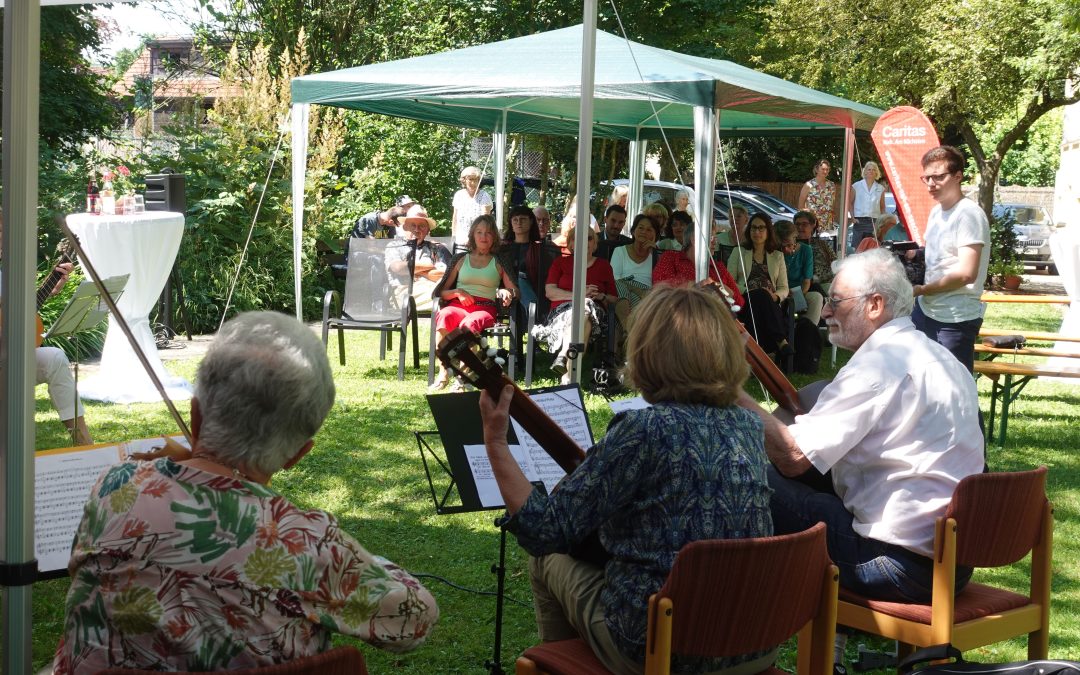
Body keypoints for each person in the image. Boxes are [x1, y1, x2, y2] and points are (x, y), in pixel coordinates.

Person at [53, 311, 439, 673]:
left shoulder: (114, 487)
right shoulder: (308, 544)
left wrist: (198, 455)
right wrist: (362, 559)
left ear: (196, 415)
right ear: (297, 455)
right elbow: (416, 618)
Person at [479, 284, 776, 675]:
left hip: (664, 648)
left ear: (647, 353)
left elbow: (544, 530)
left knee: (545, 560)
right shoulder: (748, 425)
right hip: (753, 642)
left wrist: (496, 442)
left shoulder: (643, 429)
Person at [736, 249, 983, 610]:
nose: (827, 312)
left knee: (746, 474)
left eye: (836, 301)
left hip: (897, 565)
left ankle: (730, 609)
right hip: (954, 563)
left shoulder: (879, 365)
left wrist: (727, 390)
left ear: (875, 305)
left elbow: (792, 458)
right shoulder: (942, 357)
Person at [0, 215, 92, 445]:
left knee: (54, 357)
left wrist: (51, 287)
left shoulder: (5, 276)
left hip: (8, 359)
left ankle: (82, 441)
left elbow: (17, 311)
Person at [911, 145, 990, 373]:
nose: (931, 184)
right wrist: (914, 254)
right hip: (926, 311)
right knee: (924, 382)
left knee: (955, 392)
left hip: (955, 318)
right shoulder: (937, 211)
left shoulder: (968, 214)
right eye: (926, 178)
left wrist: (922, 289)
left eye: (938, 177)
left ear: (958, 176)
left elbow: (966, 273)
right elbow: (940, 258)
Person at [431, 215, 518, 391]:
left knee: (468, 325)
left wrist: (505, 291)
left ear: (494, 236)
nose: (483, 236)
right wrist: (457, 292)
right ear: (473, 235)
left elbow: (515, 291)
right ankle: (444, 371)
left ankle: (464, 375)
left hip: (484, 308)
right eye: (479, 232)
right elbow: (440, 292)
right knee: (445, 315)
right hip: (458, 305)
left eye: (488, 232)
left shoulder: (499, 261)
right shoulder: (460, 259)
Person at [532, 225, 618, 384]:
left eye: (589, 238)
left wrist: (601, 295)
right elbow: (550, 292)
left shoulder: (604, 266)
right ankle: (570, 375)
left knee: (585, 308)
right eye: (578, 238)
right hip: (562, 313)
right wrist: (578, 296)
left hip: (596, 316)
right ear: (571, 244)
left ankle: (563, 357)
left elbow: (613, 298)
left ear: (595, 244)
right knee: (582, 312)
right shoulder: (560, 263)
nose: (584, 242)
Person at [726, 213, 791, 357]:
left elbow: (784, 287)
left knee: (763, 300)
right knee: (760, 295)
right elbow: (728, 281)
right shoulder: (739, 251)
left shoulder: (777, 256)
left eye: (761, 228)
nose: (757, 232)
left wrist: (776, 297)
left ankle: (761, 353)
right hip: (744, 300)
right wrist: (752, 290)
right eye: (753, 228)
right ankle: (780, 341)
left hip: (770, 303)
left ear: (768, 231)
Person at [653, 220, 744, 310]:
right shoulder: (671, 258)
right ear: (694, 239)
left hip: (715, 319)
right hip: (680, 315)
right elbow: (661, 288)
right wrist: (700, 286)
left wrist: (725, 290)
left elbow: (740, 302)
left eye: (715, 238)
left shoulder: (718, 267)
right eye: (711, 237)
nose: (715, 242)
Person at [385, 203, 451, 313]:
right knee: (445, 294)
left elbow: (446, 275)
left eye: (421, 226)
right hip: (404, 293)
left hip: (432, 289)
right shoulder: (395, 246)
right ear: (405, 226)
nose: (417, 229)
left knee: (445, 291)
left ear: (427, 230)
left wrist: (414, 270)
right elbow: (399, 268)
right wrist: (429, 266)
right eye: (413, 225)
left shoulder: (436, 248)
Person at [776, 219, 824, 326]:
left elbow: (807, 281)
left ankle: (808, 332)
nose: (785, 250)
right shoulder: (775, 251)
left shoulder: (806, 250)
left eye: (789, 245)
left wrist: (798, 297)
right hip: (778, 291)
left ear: (795, 238)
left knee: (816, 297)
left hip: (799, 291)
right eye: (781, 246)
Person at [609, 214, 658, 309]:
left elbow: (660, 283)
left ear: (655, 235)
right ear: (633, 231)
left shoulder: (657, 255)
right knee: (622, 292)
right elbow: (615, 279)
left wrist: (655, 254)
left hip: (648, 296)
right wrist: (637, 290)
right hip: (623, 292)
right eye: (641, 228)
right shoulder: (620, 251)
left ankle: (628, 323)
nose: (644, 232)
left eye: (649, 230)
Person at [501, 204, 544, 308]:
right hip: (505, 291)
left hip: (532, 289)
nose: (519, 222)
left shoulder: (539, 249)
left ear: (531, 221)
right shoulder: (502, 248)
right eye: (515, 219)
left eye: (523, 219)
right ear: (511, 223)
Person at [451, 166, 494, 250]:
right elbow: (455, 217)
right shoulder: (458, 195)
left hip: (478, 242)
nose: (473, 183)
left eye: (476, 180)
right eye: (470, 179)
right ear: (464, 180)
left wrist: (472, 239)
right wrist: (453, 236)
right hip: (460, 242)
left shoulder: (484, 195)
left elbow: (485, 221)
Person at [846, 161, 886, 247]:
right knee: (858, 249)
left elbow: (882, 207)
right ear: (865, 171)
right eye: (869, 169)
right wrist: (852, 218)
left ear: (876, 172)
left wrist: (882, 222)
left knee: (872, 249)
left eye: (873, 170)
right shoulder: (856, 186)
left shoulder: (880, 188)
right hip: (859, 221)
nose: (871, 171)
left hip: (874, 222)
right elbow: (849, 203)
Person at [794, 210, 836, 293]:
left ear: (813, 225)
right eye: (797, 224)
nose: (800, 227)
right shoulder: (791, 245)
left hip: (825, 282)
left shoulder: (821, 243)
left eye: (804, 224)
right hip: (802, 284)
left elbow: (835, 262)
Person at [798, 159, 837, 232]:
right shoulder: (808, 185)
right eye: (823, 169)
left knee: (826, 243)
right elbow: (800, 207)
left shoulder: (832, 185)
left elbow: (832, 204)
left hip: (828, 223)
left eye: (827, 169)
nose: (825, 171)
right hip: (812, 223)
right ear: (816, 169)